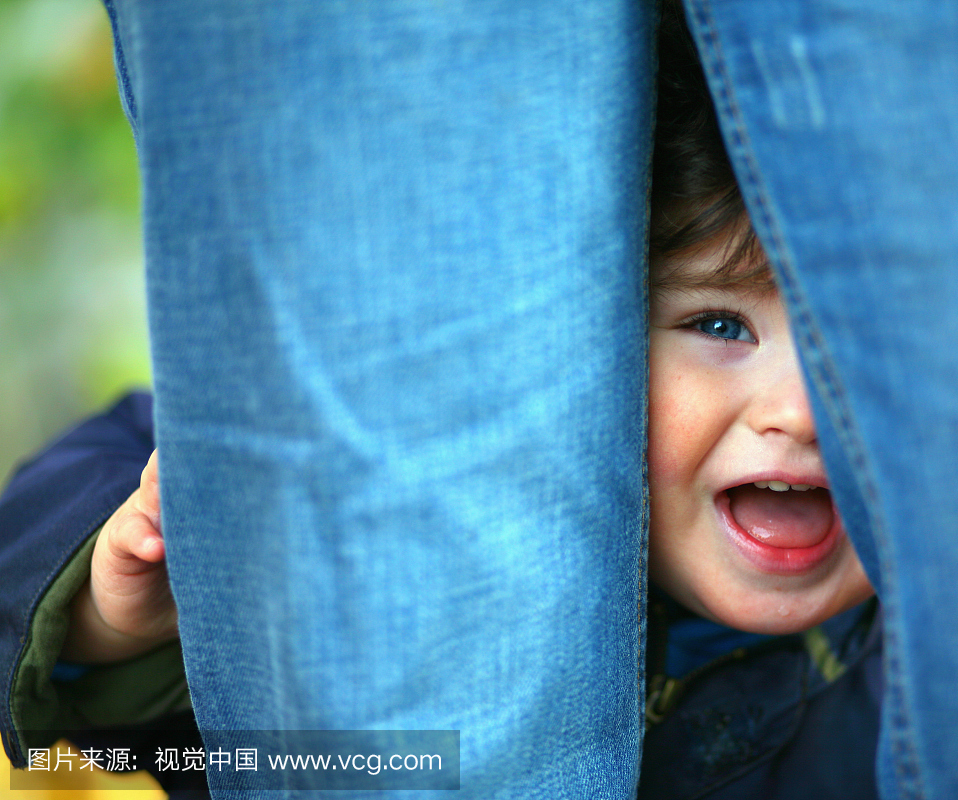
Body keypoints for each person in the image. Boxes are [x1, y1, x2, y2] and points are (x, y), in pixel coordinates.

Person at [1, 6, 882, 798]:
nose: (802, 412)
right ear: (584, 335)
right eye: (722, 326)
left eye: (854, 339)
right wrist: (108, 623)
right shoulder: (401, 451)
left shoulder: (932, 654)